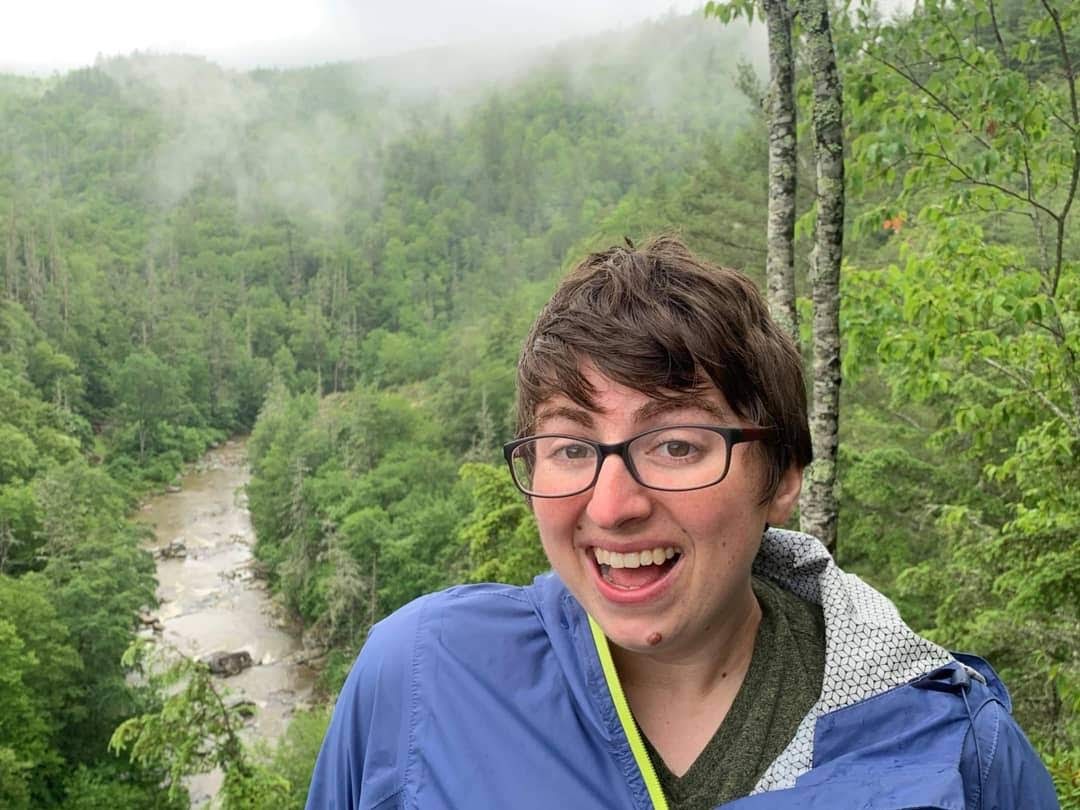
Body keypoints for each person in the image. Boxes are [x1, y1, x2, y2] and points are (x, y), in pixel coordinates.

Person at [306, 237, 1058, 809]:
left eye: (675, 445)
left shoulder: (956, 752)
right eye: (570, 447)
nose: (612, 506)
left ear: (783, 476)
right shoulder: (422, 676)